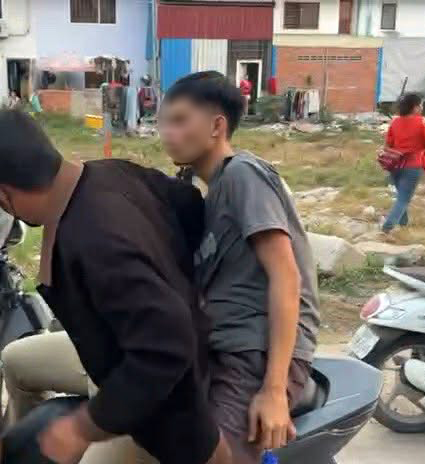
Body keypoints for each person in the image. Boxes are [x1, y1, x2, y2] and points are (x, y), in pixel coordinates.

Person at [0, 109, 231, 464]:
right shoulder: (111, 172)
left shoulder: (95, 242)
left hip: (165, 407)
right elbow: (189, 205)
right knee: (14, 361)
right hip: (112, 347)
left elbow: (168, 347)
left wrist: (84, 427)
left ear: (0, 193)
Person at [159, 71, 321, 463]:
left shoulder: (242, 174)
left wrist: (273, 390)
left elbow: (286, 275)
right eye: (163, 122)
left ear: (217, 126)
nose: (167, 133)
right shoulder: (211, 194)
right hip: (224, 347)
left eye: (179, 120)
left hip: (256, 354)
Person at [381, 92, 425, 233]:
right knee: (403, 199)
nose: (422, 108)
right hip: (413, 165)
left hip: (395, 164)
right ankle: (387, 228)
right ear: (415, 107)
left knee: (401, 195)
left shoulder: (395, 122)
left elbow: (388, 144)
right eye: (421, 105)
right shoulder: (422, 122)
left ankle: (403, 225)